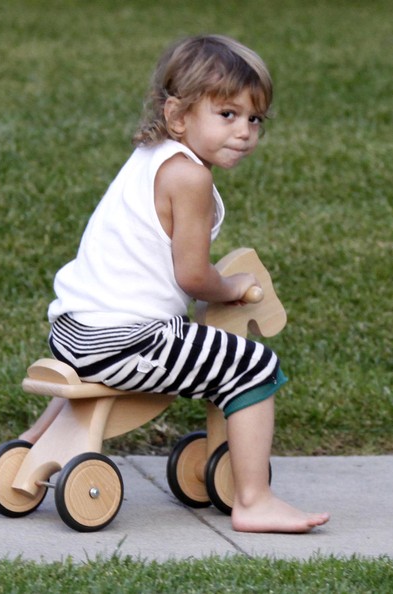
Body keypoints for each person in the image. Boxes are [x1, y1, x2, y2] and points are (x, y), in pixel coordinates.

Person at [20, 34, 330, 533]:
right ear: (178, 115)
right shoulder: (191, 178)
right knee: (254, 366)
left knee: (194, 353)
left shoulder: (151, 158)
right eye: (227, 114)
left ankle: (29, 446)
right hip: (126, 338)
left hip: (74, 331)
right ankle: (254, 500)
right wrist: (232, 287)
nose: (245, 131)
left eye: (255, 119)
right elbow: (194, 276)